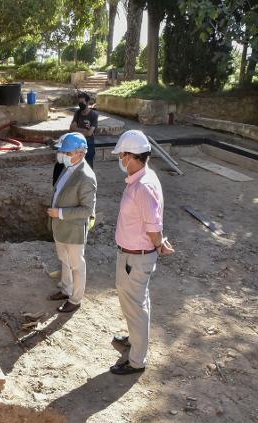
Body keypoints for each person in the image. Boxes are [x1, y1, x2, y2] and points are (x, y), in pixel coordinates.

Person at [110, 130, 175, 375]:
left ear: (131, 156)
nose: (120, 159)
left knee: (136, 306)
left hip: (136, 257)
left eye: (122, 155)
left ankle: (136, 360)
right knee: (136, 302)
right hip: (132, 255)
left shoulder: (143, 187)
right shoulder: (142, 178)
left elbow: (153, 227)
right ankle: (135, 339)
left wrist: (158, 244)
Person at [46, 133, 97, 313]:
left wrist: (59, 213)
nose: (63, 156)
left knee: (76, 265)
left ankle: (75, 300)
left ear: (80, 153)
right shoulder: (68, 168)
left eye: (67, 153)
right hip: (61, 227)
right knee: (64, 261)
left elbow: (87, 210)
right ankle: (66, 290)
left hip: (74, 229)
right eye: (64, 152)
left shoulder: (86, 177)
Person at [69, 92, 98, 167]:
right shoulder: (77, 113)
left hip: (89, 144)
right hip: (77, 144)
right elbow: (71, 128)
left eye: (82, 102)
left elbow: (89, 133)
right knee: (76, 166)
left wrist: (77, 129)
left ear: (87, 102)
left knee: (88, 166)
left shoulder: (93, 115)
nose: (80, 104)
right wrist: (84, 130)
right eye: (79, 102)